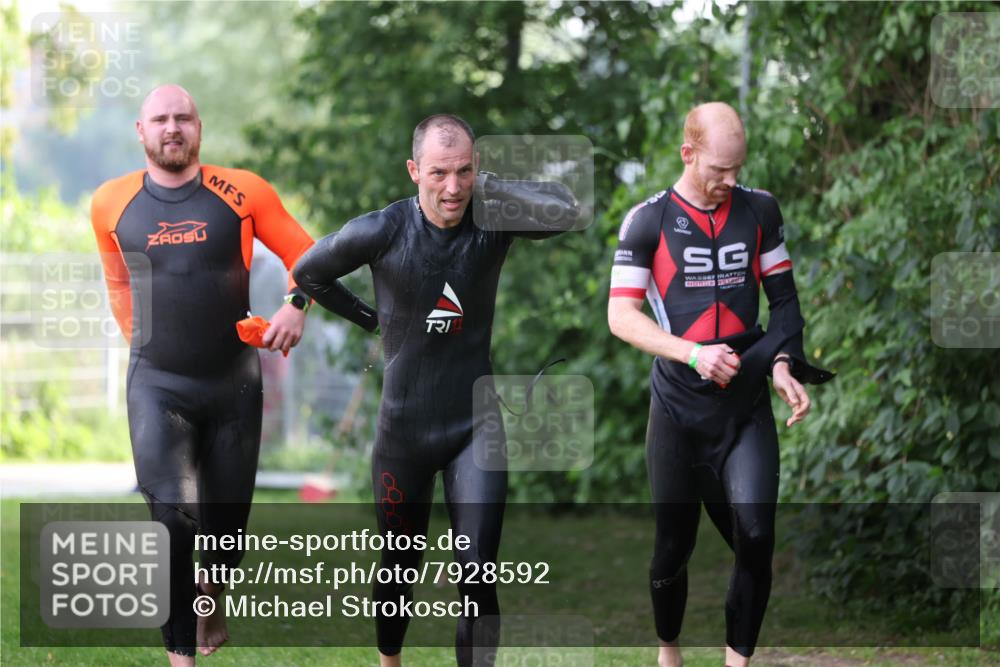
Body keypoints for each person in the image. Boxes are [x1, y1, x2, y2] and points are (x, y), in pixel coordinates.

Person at [293, 114, 579, 667]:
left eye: (465, 172)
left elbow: (565, 211)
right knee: (400, 571)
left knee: (478, 573)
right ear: (413, 171)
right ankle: (390, 662)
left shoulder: (491, 216)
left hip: (475, 424)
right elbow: (309, 272)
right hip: (404, 432)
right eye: (439, 173)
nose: (453, 187)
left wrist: (491, 187)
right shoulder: (383, 230)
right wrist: (370, 318)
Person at [90, 84, 316, 665]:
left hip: (233, 383)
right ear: (141, 132)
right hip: (156, 381)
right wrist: (137, 338)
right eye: (160, 119)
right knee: (170, 519)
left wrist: (296, 305)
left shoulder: (242, 191)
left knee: (225, 529)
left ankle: (212, 592)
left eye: (183, 118)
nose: (172, 128)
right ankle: (181, 659)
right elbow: (118, 281)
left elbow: (309, 256)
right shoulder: (110, 203)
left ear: (199, 127)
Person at [607, 102, 832, 667]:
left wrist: (782, 364)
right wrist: (693, 354)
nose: (730, 182)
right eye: (719, 170)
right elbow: (621, 317)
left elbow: (784, 303)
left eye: (738, 169)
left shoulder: (759, 211)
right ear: (689, 154)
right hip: (678, 410)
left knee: (756, 537)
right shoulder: (647, 221)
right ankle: (669, 652)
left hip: (744, 404)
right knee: (671, 552)